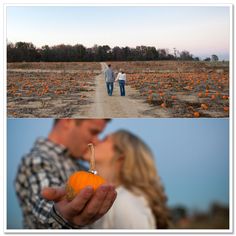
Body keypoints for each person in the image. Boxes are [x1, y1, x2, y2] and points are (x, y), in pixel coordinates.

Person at [15, 119, 117, 229]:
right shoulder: (37, 160)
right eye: (93, 132)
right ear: (68, 121)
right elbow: (44, 205)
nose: (96, 141)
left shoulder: (79, 166)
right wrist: (60, 215)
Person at [83, 130, 170, 229]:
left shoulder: (125, 203)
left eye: (104, 139)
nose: (95, 140)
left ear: (121, 155)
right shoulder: (119, 199)